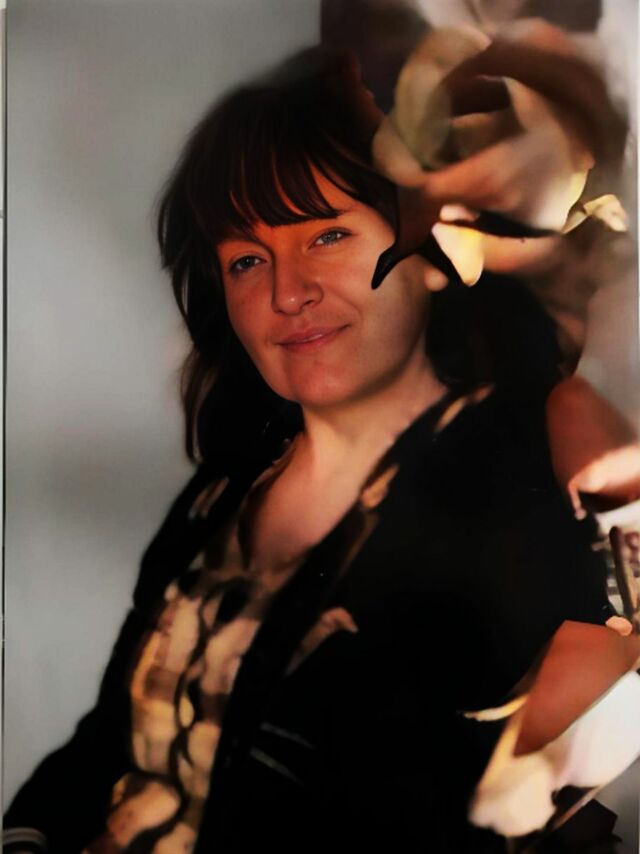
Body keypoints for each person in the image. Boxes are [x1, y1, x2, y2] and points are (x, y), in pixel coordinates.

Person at [4, 46, 619, 854]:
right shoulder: (224, 494)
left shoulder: (513, 494)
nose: (285, 293)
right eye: (246, 259)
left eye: (327, 234)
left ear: (437, 250)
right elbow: (106, 741)